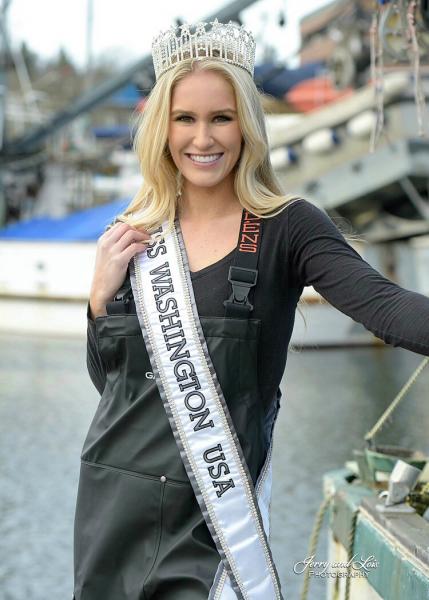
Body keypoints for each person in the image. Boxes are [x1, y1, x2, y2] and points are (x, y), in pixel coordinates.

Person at [72, 20, 429, 600]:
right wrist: (97, 303)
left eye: (221, 117)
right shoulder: (135, 236)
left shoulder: (288, 227)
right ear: (161, 128)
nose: (202, 138)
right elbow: (115, 389)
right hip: (112, 505)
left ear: (247, 126)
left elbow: (385, 307)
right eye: (184, 119)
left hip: (215, 515)